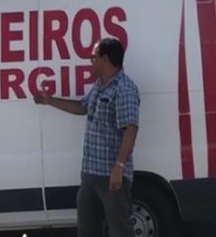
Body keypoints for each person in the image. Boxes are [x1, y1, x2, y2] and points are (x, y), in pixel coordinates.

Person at [33, 38, 140, 237]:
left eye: (93, 57)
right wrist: (50, 101)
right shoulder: (100, 85)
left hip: (111, 177)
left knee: (120, 230)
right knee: (87, 229)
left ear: (105, 59)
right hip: (90, 173)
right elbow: (82, 107)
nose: (90, 61)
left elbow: (130, 129)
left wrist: (119, 166)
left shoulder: (124, 89)